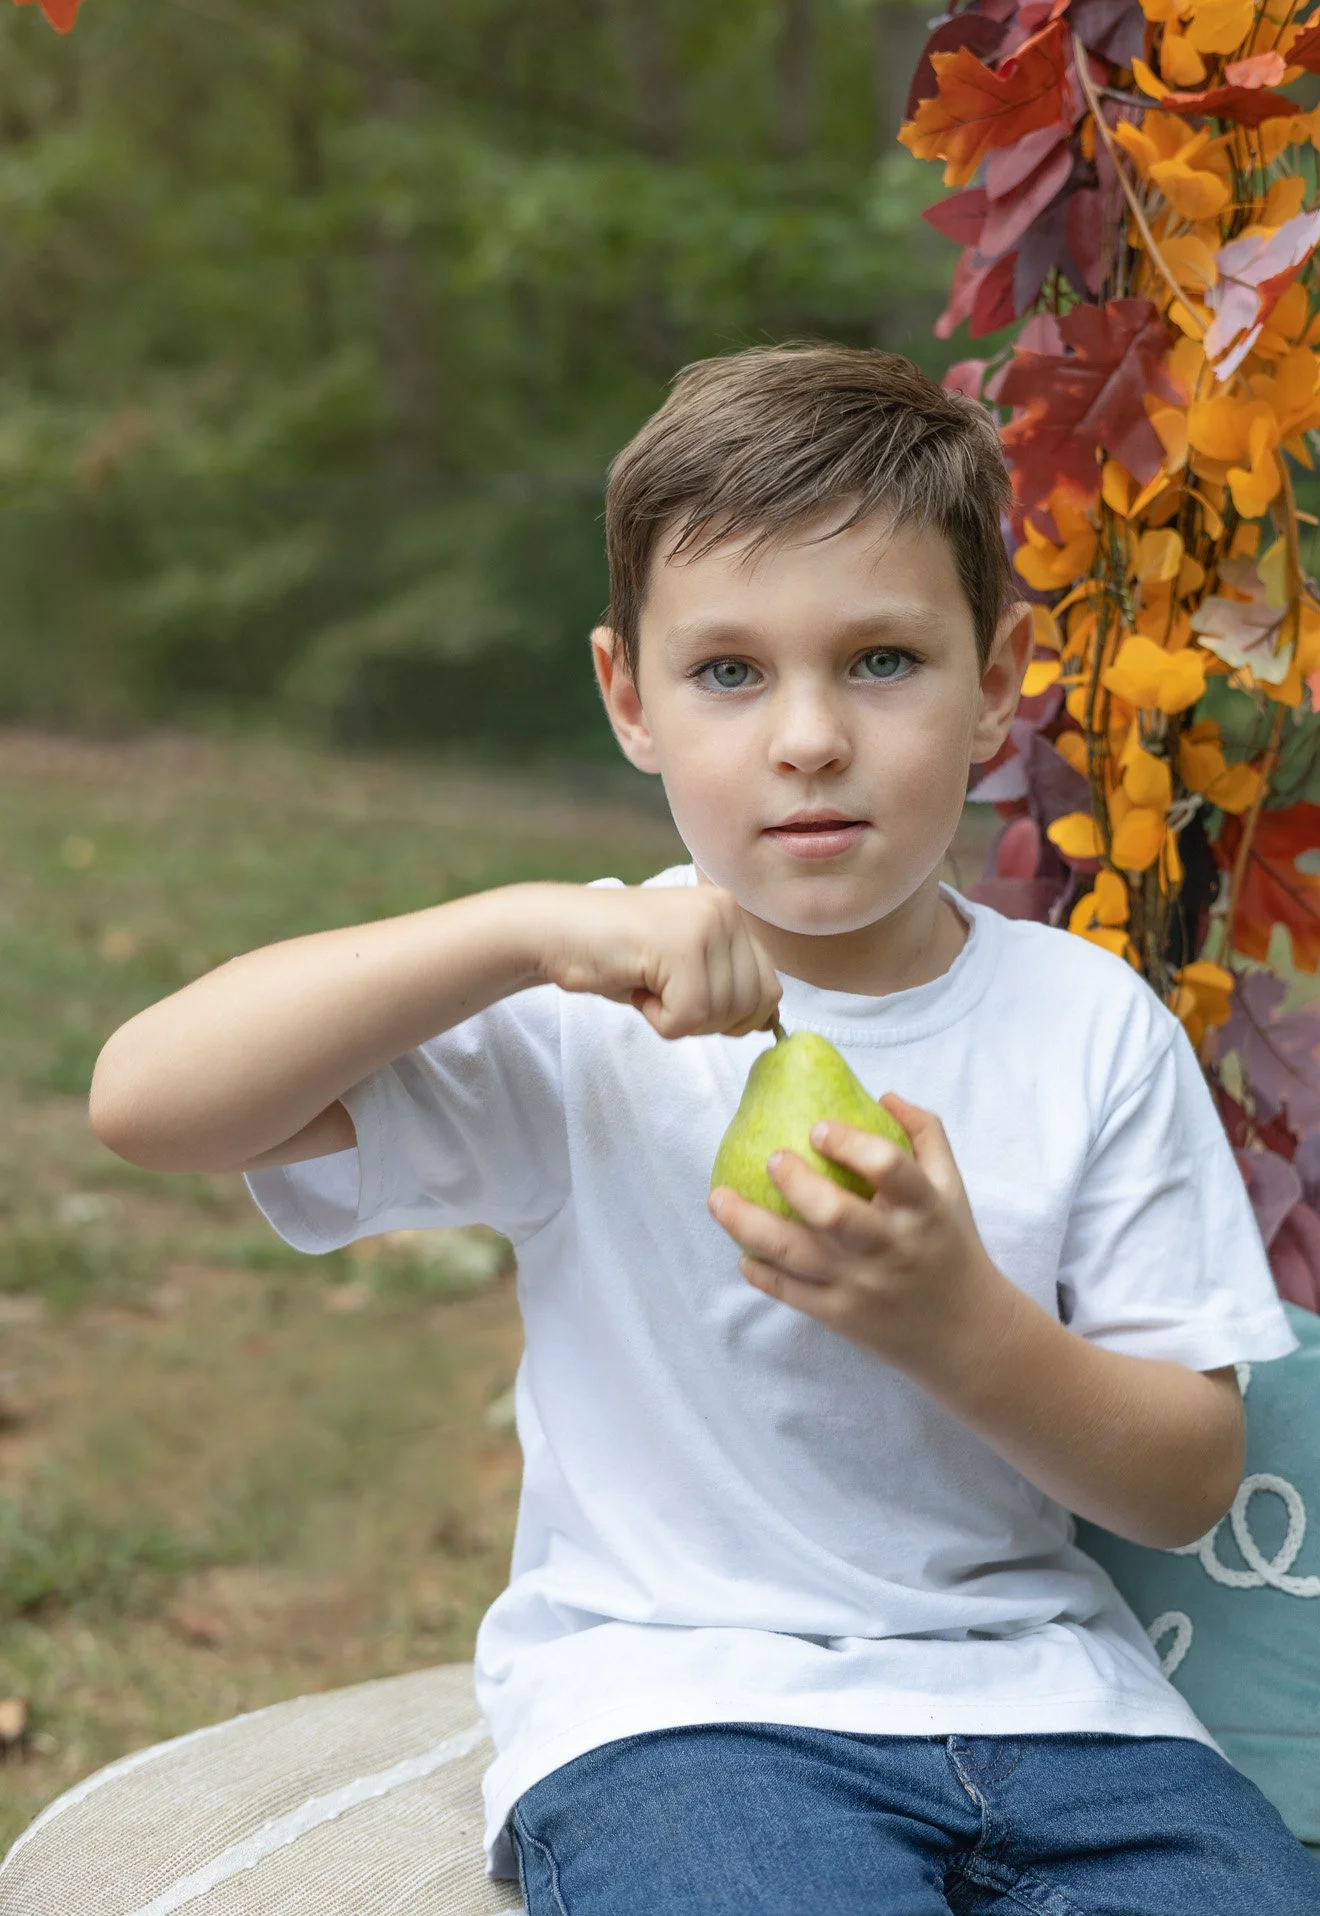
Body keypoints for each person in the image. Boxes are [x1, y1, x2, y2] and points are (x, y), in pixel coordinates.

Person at [89, 344, 1318, 1915]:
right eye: (729, 672)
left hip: (1068, 1717)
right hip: (681, 1716)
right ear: (630, 697)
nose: (808, 738)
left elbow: (1186, 1478)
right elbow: (147, 1100)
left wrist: (954, 1324)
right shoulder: (580, 1004)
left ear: (999, 674)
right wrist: (518, 930)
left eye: (881, 660)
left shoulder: (1088, 1024)